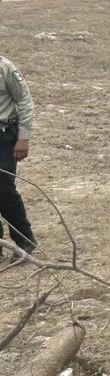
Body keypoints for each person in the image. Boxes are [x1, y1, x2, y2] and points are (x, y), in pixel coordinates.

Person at [0, 55, 36, 256]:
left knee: (3, 189)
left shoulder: (4, 67)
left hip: (5, 135)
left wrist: (23, 138)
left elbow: (24, 100)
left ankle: (25, 241)